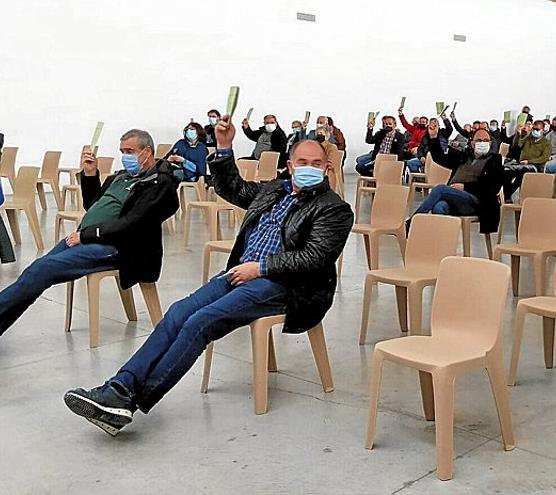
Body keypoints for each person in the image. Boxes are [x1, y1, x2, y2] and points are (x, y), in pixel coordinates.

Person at [63, 119, 354, 435]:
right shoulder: (273, 190)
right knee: (177, 314)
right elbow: (233, 188)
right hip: (241, 273)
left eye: (316, 163)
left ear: (327, 168)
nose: (309, 168)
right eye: (302, 162)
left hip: (287, 285)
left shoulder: (334, 208)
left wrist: (260, 268)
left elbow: (315, 258)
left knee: (200, 321)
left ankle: (129, 402)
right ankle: (119, 387)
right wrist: (225, 147)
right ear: (290, 164)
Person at [0, 130, 179, 336]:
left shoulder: (159, 183)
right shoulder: (121, 177)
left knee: (41, 270)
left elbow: (131, 224)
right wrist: (90, 174)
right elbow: (93, 204)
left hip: (119, 247)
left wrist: (86, 235)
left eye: (130, 151)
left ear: (147, 152)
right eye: (122, 151)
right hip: (86, 238)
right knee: (36, 272)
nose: (125, 156)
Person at [411, 128, 502, 235]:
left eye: (486, 140)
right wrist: (434, 138)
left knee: (440, 189)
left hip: (476, 201)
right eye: (479, 140)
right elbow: (439, 158)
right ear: (472, 142)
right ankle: (442, 242)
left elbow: (493, 187)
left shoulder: (494, 160)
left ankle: (413, 223)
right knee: (439, 207)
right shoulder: (464, 156)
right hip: (455, 199)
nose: (482, 143)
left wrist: (465, 187)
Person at [503, 120, 550, 201]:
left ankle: (508, 193)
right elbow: (517, 144)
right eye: (534, 129)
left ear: (543, 130)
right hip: (521, 164)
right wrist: (518, 134)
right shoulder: (529, 138)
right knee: (506, 171)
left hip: (535, 166)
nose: (535, 131)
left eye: (537, 130)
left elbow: (544, 158)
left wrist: (529, 161)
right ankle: (507, 197)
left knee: (522, 173)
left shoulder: (546, 143)